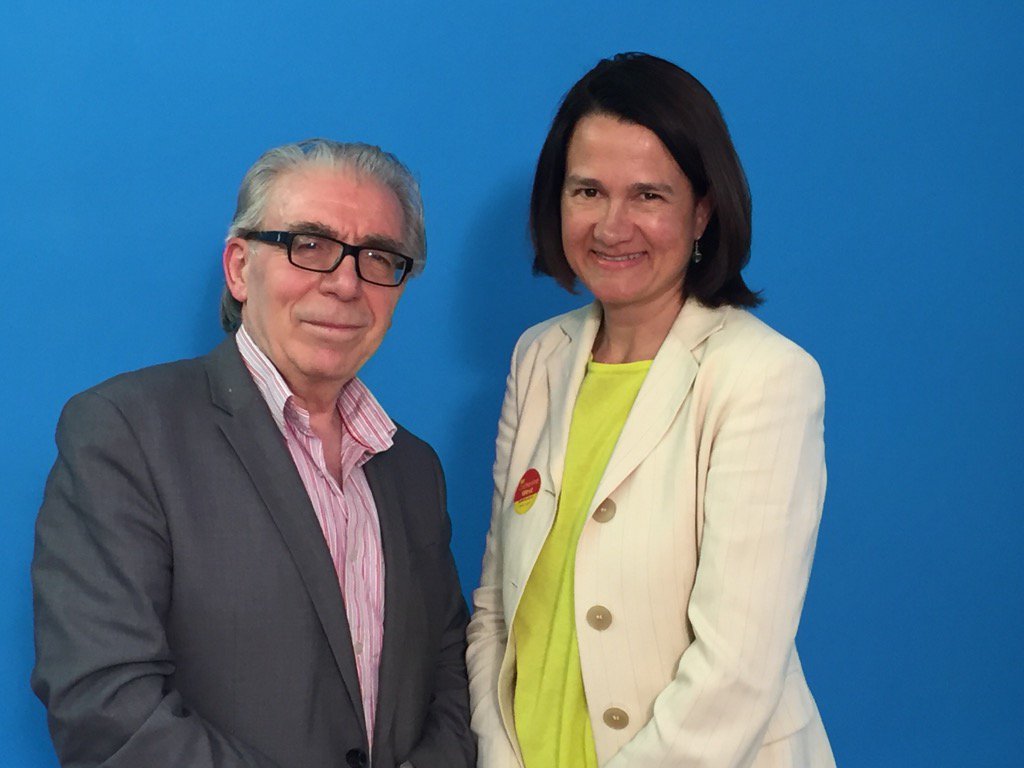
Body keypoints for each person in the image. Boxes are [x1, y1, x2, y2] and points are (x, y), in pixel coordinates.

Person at [32, 139, 474, 768]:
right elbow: (105, 710)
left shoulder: (412, 467)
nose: (346, 283)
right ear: (240, 268)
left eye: (379, 257)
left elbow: (450, 669)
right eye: (309, 245)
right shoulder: (125, 433)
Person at [466, 53, 835, 767]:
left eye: (648, 195)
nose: (612, 226)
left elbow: (736, 671)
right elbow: (495, 613)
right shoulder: (537, 358)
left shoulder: (765, 378)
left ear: (703, 210)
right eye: (588, 191)